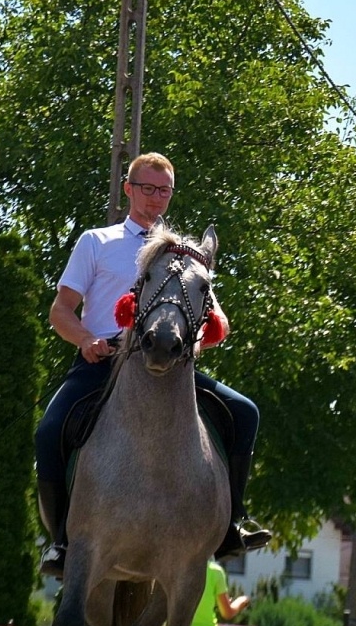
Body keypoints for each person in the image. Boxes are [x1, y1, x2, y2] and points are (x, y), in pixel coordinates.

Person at [34, 152, 271, 576]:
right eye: (147, 188)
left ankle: (232, 523)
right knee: (49, 431)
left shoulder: (185, 255)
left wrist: (193, 342)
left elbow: (218, 323)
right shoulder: (97, 242)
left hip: (170, 366)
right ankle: (61, 543)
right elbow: (60, 311)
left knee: (245, 412)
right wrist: (86, 339)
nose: (155, 198)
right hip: (102, 363)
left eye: (164, 190)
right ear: (128, 188)